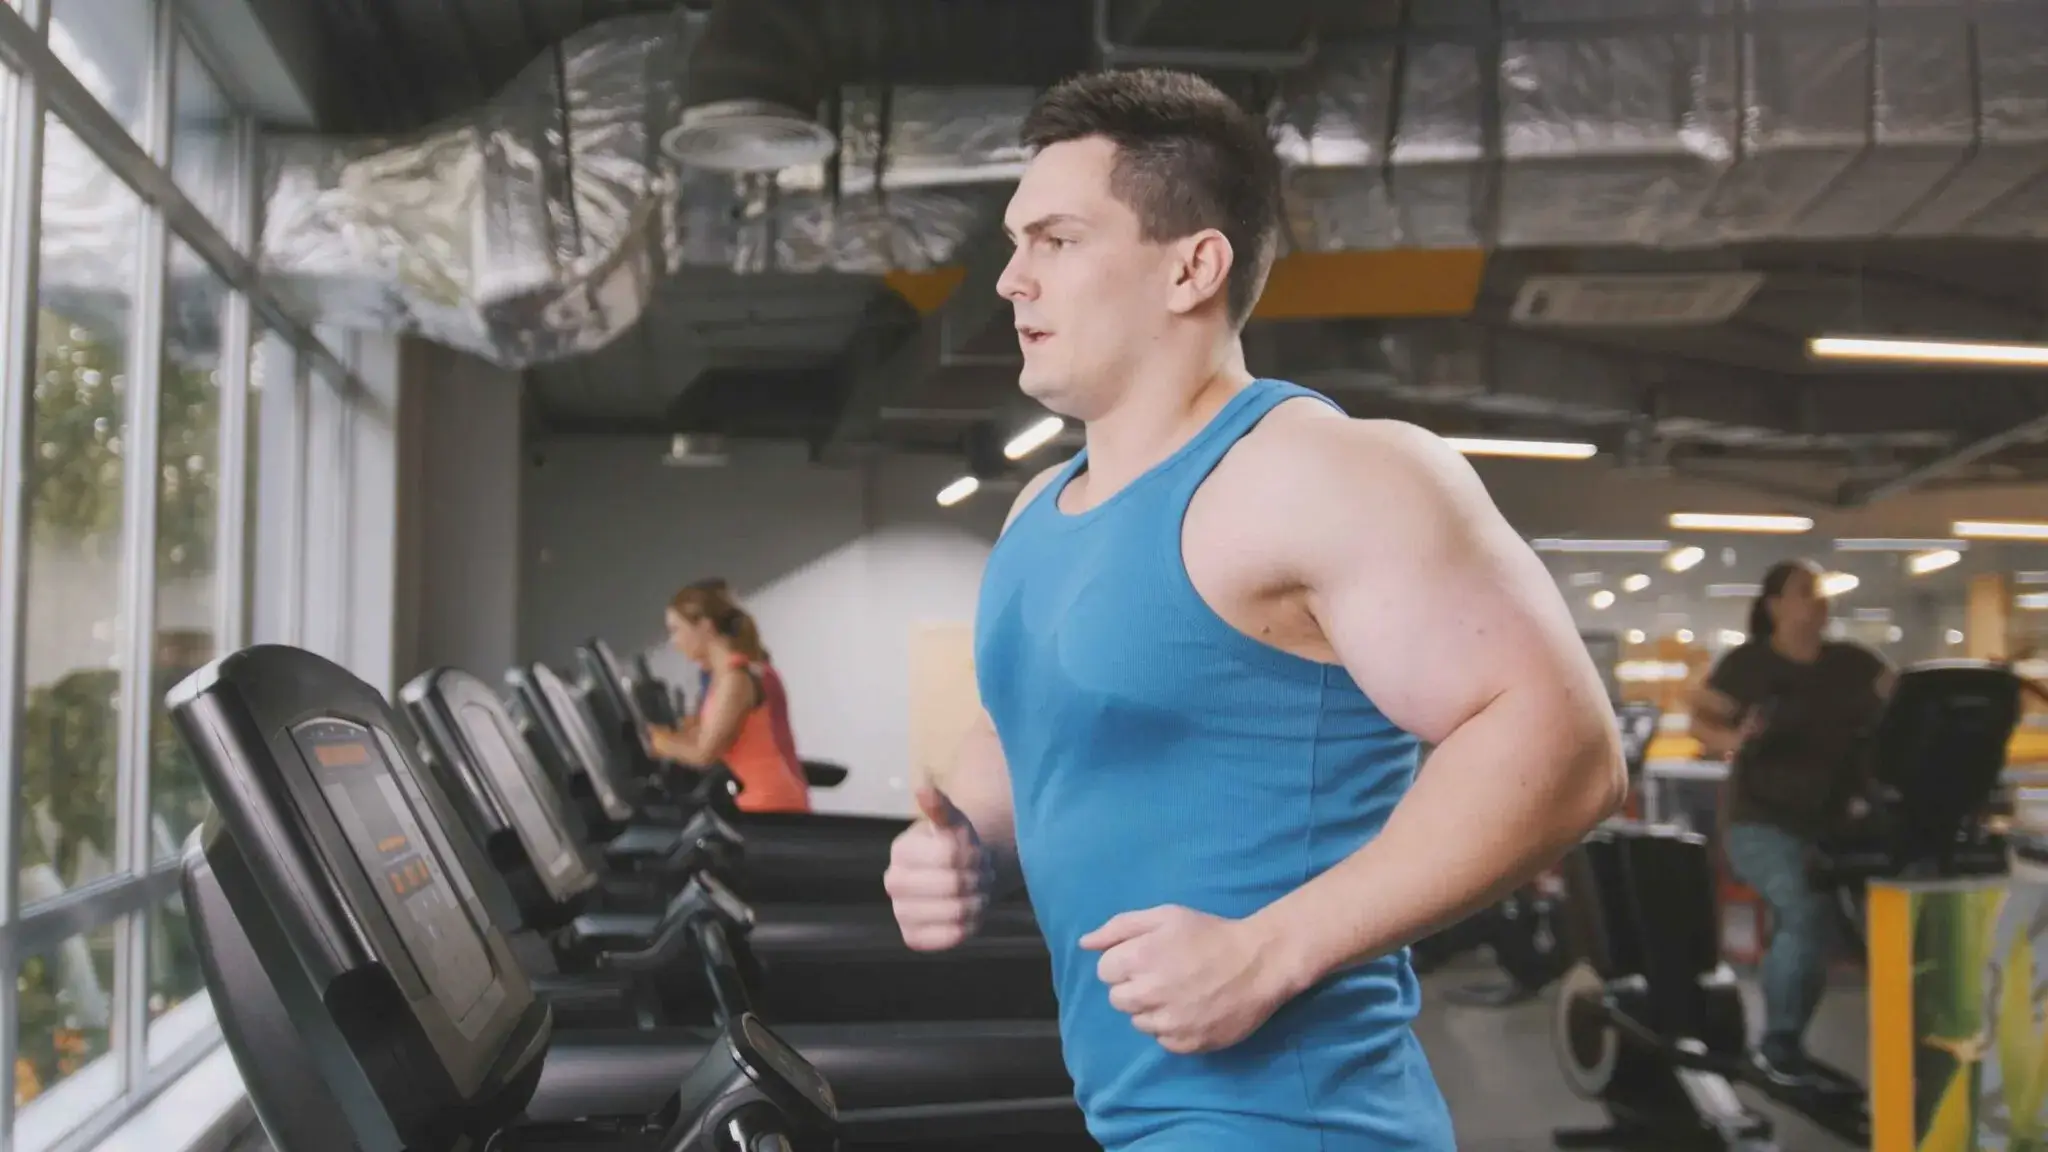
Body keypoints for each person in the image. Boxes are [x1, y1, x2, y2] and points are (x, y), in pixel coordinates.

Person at [881, 68, 1627, 1151]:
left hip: (1289, 1122)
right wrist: (962, 845)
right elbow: (1020, 727)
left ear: (1192, 266)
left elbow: (1565, 748)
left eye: (1055, 240)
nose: (1009, 281)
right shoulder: (1039, 508)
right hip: (1128, 1111)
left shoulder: (1319, 474)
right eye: (1014, 243)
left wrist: (1271, 949)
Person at [1691, 558, 1892, 1086]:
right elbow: (1700, 718)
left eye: (1821, 592)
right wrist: (1733, 741)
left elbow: (1905, 699)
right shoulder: (1749, 665)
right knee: (1804, 912)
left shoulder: (1853, 663)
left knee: (1828, 926)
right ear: (1775, 605)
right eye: (1806, 591)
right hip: (1759, 824)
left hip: (1836, 826)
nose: (1819, 600)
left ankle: (1875, 1040)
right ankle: (1779, 1044)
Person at [647, 583, 811, 814]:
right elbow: (708, 732)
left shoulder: (737, 679)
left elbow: (704, 753)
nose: (674, 641)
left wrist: (654, 742)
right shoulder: (731, 674)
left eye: (676, 630)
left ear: (704, 626)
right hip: (762, 799)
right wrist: (672, 735)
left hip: (769, 805)